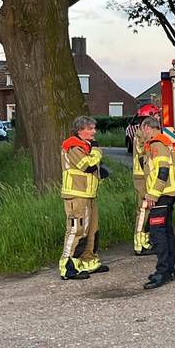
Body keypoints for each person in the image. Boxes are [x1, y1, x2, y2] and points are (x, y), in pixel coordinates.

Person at [59, 115, 109, 280]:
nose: (93, 132)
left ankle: (88, 262)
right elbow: (87, 166)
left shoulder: (85, 146)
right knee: (76, 230)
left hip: (88, 195)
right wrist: (96, 151)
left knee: (92, 230)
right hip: (76, 195)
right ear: (80, 130)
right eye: (89, 128)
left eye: (94, 128)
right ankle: (68, 267)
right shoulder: (73, 146)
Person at [142, 116, 175, 289]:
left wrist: (153, 194)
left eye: (141, 130)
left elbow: (162, 170)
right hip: (168, 193)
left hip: (162, 194)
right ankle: (169, 270)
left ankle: (163, 272)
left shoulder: (156, 145)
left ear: (146, 127)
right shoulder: (163, 143)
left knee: (157, 233)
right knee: (166, 232)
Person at [131, 104, 159, 256]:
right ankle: (140, 244)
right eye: (156, 115)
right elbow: (144, 153)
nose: (159, 118)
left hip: (143, 175)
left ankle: (145, 240)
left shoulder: (141, 131)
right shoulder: (142, 133)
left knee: (147, 209)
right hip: (142, 177)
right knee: (143, 209)